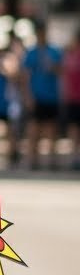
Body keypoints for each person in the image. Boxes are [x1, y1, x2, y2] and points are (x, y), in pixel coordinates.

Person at [21, 20, 63, 170]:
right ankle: (33, 160)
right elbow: (25, 76)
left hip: (51, 95)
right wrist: (28, 96)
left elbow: (61, 72)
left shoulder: (54, 51)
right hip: (36, 96)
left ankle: (52, 160)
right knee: (33, 129)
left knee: (51, 129)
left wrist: (53, 67)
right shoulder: (31, 53)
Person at [60, 26, 80, 170]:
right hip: (72, 99)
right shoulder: (69, 56)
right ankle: (74, 156)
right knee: (73, 128)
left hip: (73, 98)